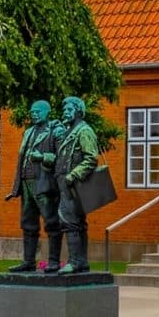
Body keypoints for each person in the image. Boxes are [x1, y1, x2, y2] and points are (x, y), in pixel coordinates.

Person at [3, 100, 61, 273]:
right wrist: (16, 187)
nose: (34, 114)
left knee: (51, 222)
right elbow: (21, 160)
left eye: (38, 111)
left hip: (44, 182)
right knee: (28, 223)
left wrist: (43, 157)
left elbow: (62, 157)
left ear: (47, 112)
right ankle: (28, 261)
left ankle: (53, 261)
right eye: (32, 111)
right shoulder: (28, 132)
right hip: (26, 182)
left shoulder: (56, 131)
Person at [50, 95, 103, 275]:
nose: (65, 112)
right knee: (75, 221)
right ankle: (81, 262)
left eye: (68, 109)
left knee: (69, 220)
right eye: (64, 109)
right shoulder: (69, 132)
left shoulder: (84, 131)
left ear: (78, 111)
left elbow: (91, 158)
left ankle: (75, 261)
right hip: (65, 183)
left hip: (73, 183)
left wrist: (74, 174)